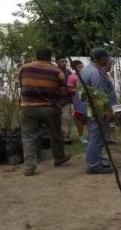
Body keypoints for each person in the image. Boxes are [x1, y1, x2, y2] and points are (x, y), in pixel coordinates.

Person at [18, 48, 71, 176]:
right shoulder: (57, 71)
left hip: (28, 108)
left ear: (36, 56)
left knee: (29, 138)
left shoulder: (23, 68)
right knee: (55, 134)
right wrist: (59, 103)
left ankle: (30, 167)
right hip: (50, 108)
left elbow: (21, 85)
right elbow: (64, 91)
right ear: (50, 57)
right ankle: (59, 158)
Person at [81, 48, 117, 174]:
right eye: (107, 57)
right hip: (99, 110)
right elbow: (100, 95)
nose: (108, 60)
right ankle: (94, 165)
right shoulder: (95, 72)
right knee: (97, 137)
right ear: (102, 58)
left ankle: (97, 159)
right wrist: (108, 111)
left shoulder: (87, 69)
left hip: (92, 109)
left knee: (95, 136)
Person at [67, 60, 88, 144]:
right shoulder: (72, 77)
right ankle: (81, 136)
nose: (82, 68)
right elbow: (69, 89)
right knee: (79, 117)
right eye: (79, 67)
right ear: (74, 68)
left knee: (89, 117)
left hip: (87, 100)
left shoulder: (86, 76)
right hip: (78, 101)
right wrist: (79, 89)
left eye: (82, 66)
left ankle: (91, 135)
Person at [55, 55, 74, 144]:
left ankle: (66, 136)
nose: (64, 63)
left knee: (67, 118)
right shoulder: (53, 71)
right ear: (57, 62)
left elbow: (71, 85)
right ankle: (58, 136)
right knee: (57, 119)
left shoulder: (68, 72)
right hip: (55, 99)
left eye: (65, 61)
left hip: (66, 99)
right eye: (62, 61)